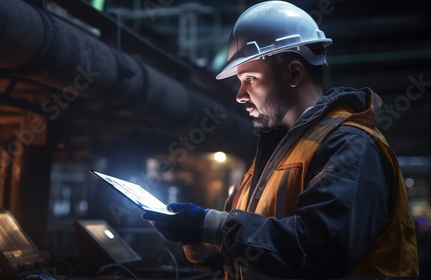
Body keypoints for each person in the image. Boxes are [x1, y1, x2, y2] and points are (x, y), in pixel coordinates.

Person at [142, 1, 419, 279]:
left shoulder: (350, 147)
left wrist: (210, 225)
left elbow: (320, 251)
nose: (240, 95)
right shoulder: (275, 155)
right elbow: (251, 252)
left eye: (250, 78)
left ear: (294, 74)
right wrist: (195, 236)